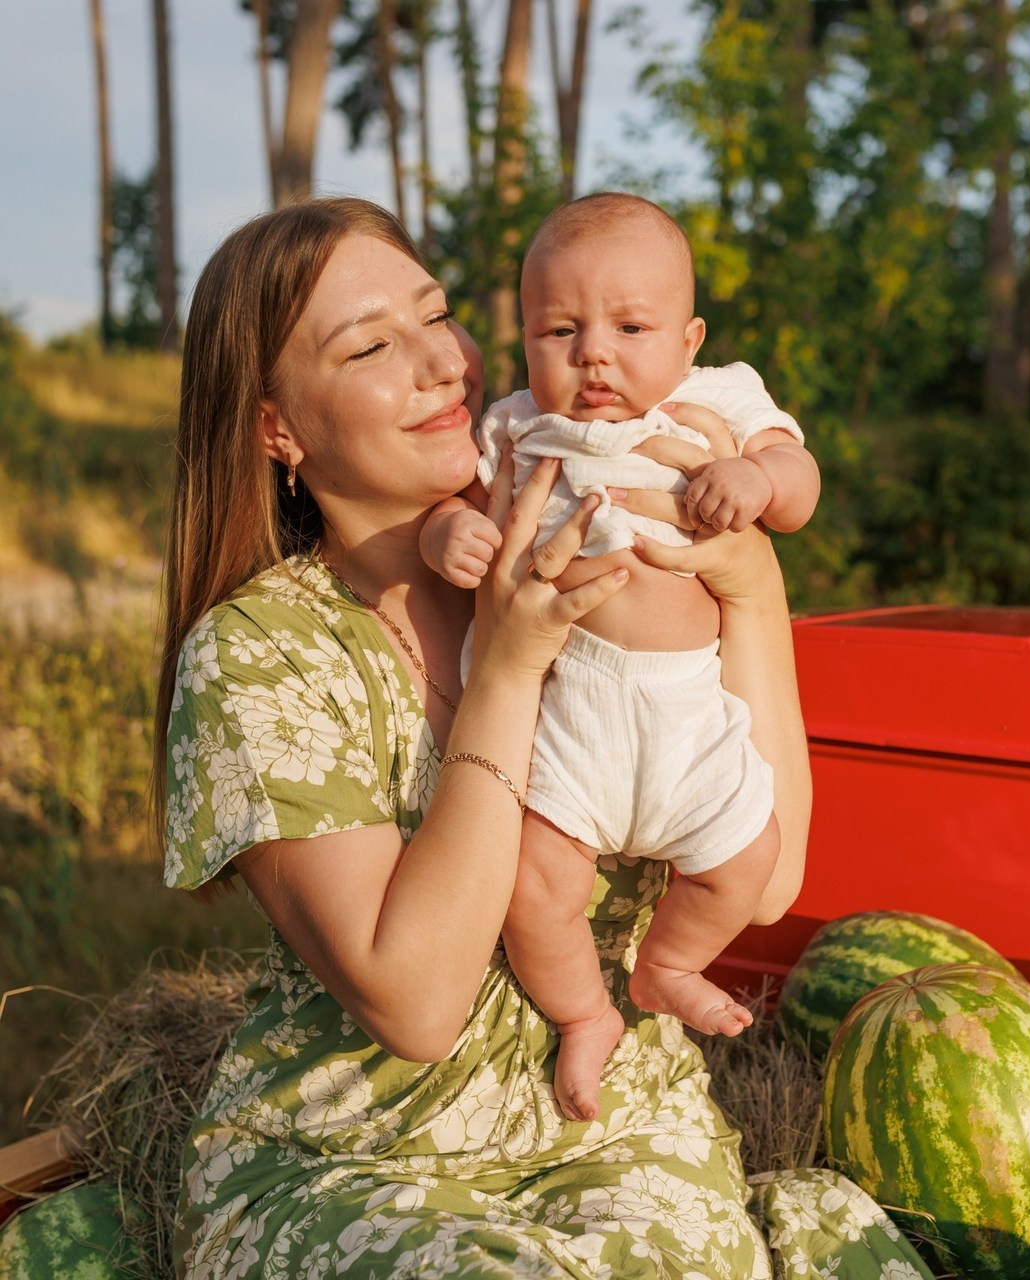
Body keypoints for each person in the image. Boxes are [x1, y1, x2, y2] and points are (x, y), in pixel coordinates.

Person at [153, 195, 937, 1279]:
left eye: (436, 314)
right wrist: (510, 665)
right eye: (374, 344)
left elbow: (761, 880)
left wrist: (752, 590)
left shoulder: (592, 518)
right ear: (276, 425)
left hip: (616, 1129)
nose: (441, 362)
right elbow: (417, 1002)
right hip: (356, 1157)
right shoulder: (260, 653)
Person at [421, 192, 821, 1123]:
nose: (594, 352)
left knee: (747, 862)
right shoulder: (516, 426)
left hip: (684, 712)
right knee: (537, 882)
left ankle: (666, 964)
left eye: (630, 325)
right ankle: (583, 1012)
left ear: (689, 339)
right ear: (525, 342)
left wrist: (758, 477)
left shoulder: (715, 399)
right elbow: (458, 501)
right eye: (560, 329)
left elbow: (798, 490)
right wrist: (450, 535)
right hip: (573, 712)